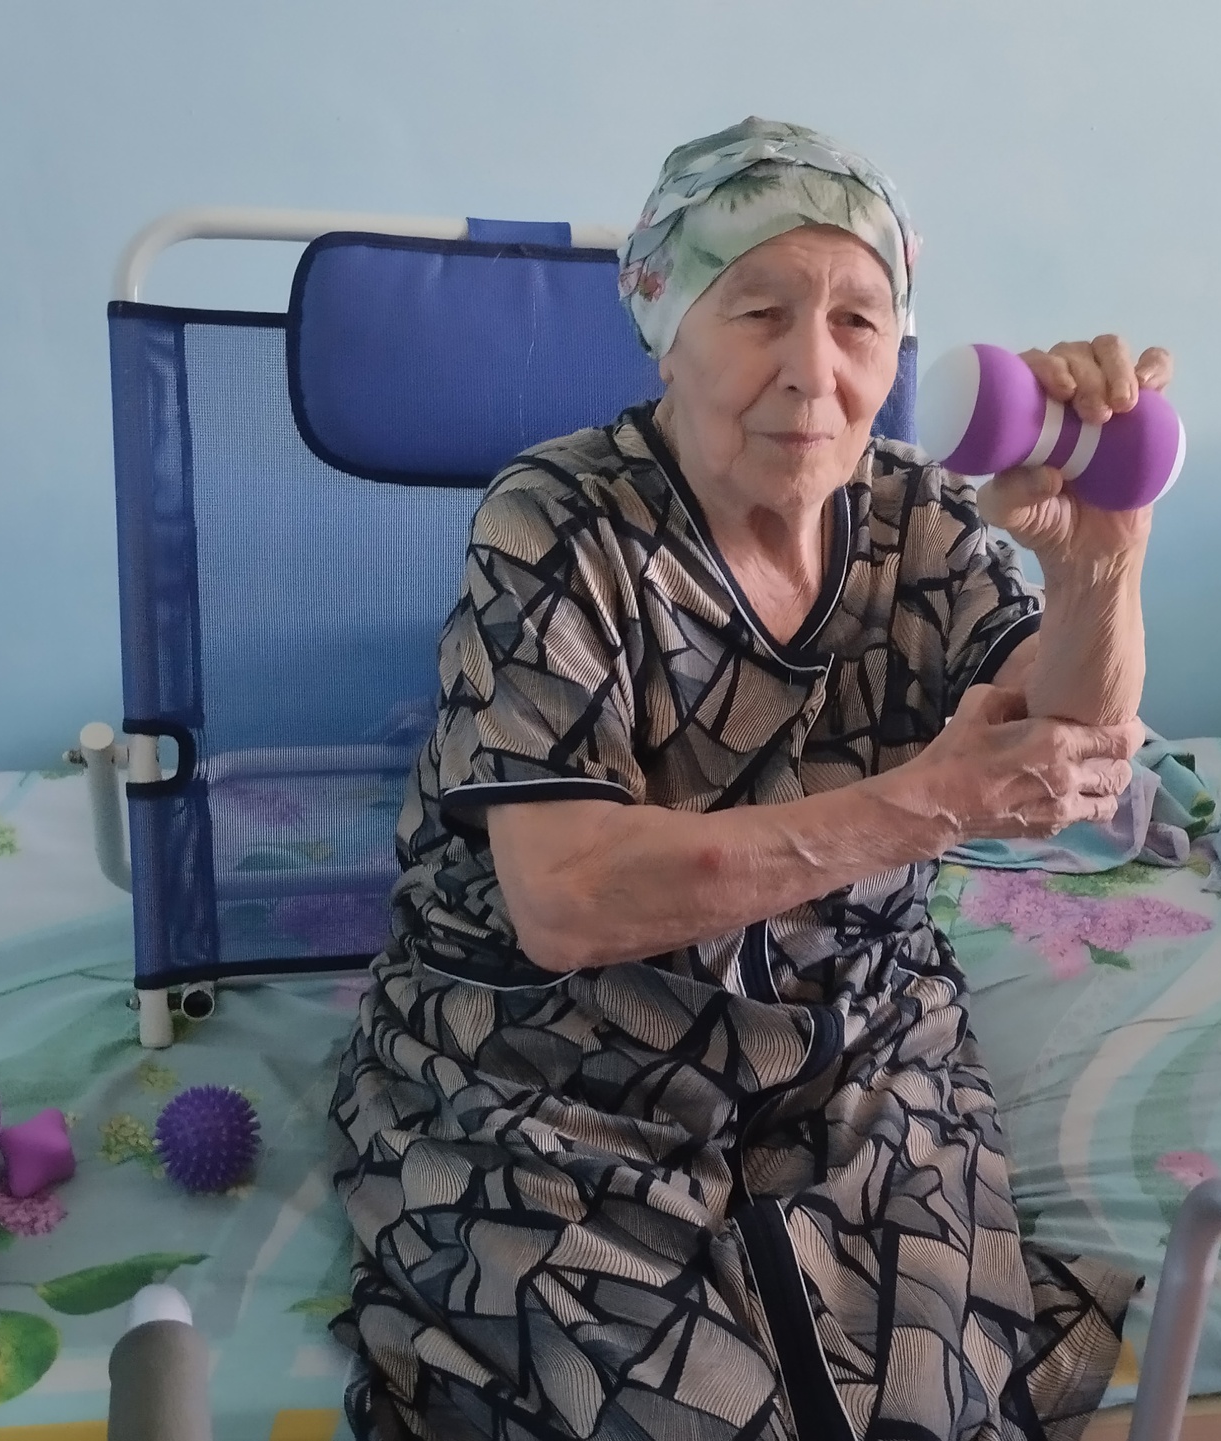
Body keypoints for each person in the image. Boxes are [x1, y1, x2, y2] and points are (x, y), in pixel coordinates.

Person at [330, 116, 1174, 1441]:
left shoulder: (919, 516)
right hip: (554, 1070)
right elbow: (565, 898)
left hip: (857, 1049)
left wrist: (1100, 563)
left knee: (932, 1409)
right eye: (760, 311)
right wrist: (928, 801)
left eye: (857, 321)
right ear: (665, 327)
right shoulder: (557, 522)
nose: (814, 371)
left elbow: (1071, 751)